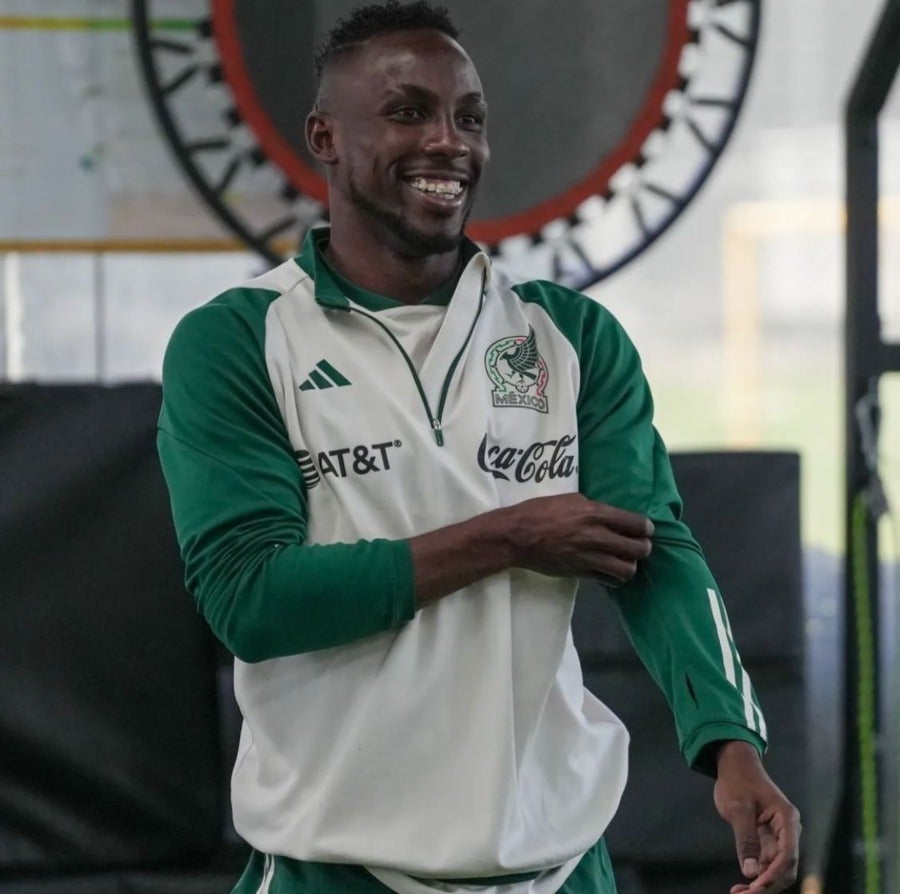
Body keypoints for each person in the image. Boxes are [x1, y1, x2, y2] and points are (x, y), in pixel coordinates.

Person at [157, 3, 801, 893]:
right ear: (325, 138)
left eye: (469, 117)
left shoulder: (571, 335)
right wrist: (508, 538)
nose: (448, 143)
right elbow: (250, 599)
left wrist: (730, 743)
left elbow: (654, 552)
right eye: (407, 111)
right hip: (334, 864)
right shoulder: (238, 340)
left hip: (559, 861)